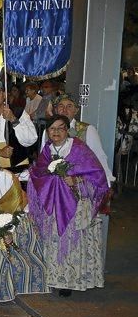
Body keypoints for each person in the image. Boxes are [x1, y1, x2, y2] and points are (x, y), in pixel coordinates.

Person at [27, 115, 109, 296]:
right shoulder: (47, 150)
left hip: (76, 205)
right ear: (47, 132)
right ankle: (53, 278)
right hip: (54, 204)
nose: (56, 132)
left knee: (72, 242)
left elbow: (97, 177)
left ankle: (69, 281)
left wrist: (76, 180)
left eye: (60, 128)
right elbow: (39, 174)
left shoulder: (79, 148)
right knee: (53, 241)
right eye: (52, 129)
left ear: (67, 130)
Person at [0, 147, 49, 302]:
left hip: (16, 216)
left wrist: (8, 231)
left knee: (4, 236)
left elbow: (16, 209)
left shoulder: (8, 179)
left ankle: (16, 277)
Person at [46, 94, 115, 185]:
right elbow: (44, 156)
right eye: (61, 106)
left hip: (80, 184)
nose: (64, 110)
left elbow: (99, 157)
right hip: (54, 183)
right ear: (56, 110)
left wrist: (107, 181)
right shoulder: (48, 131)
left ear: (76, 110)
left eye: (69, 106)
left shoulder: (87, 129)